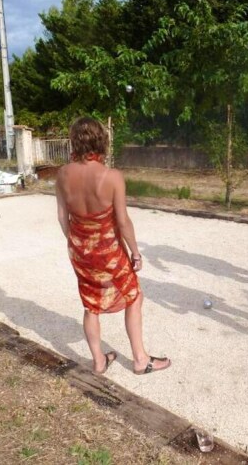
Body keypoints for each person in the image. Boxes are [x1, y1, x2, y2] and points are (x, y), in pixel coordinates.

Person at [55, 117, 171, 376]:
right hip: (109, 252)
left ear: (74, 141)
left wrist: (78, 244)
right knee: (134, 296)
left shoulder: (62, 174)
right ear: (102, 140)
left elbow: (63, 217)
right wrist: (136, 252)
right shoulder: (112, 177)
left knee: (90, 305)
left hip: (80, 250)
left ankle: (98, 361)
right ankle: (140, 359)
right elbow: (123, 221)